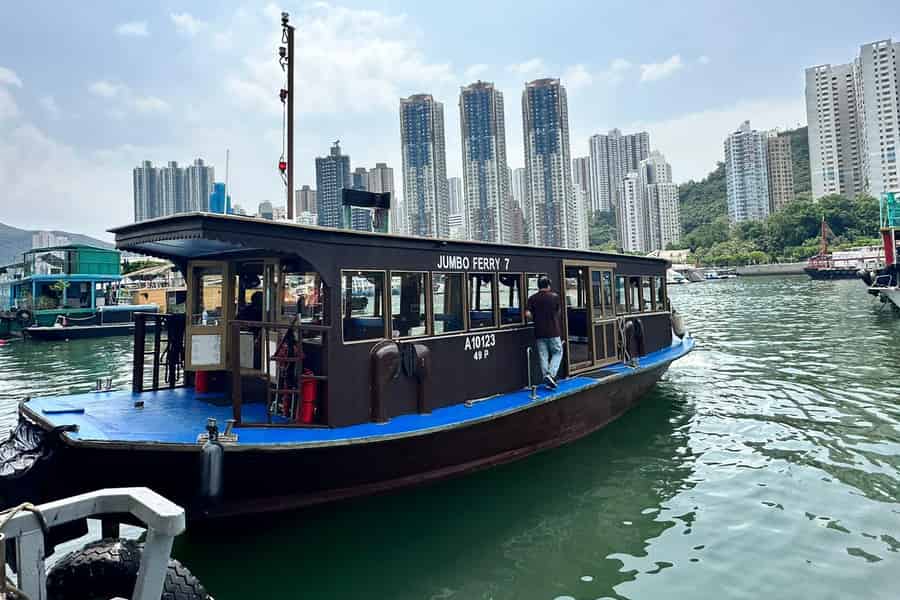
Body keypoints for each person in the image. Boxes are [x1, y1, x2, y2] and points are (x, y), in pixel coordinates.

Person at [525, 276, 562, 389]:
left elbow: (527, 314)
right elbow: (558, 312)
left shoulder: (532, 298)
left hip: (539, 332)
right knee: (557, 352)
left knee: (543, 356)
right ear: (548, 286)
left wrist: (534, 319)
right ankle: (551, 374)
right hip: (553, 331)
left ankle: (546, 376)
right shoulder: (554, 297)